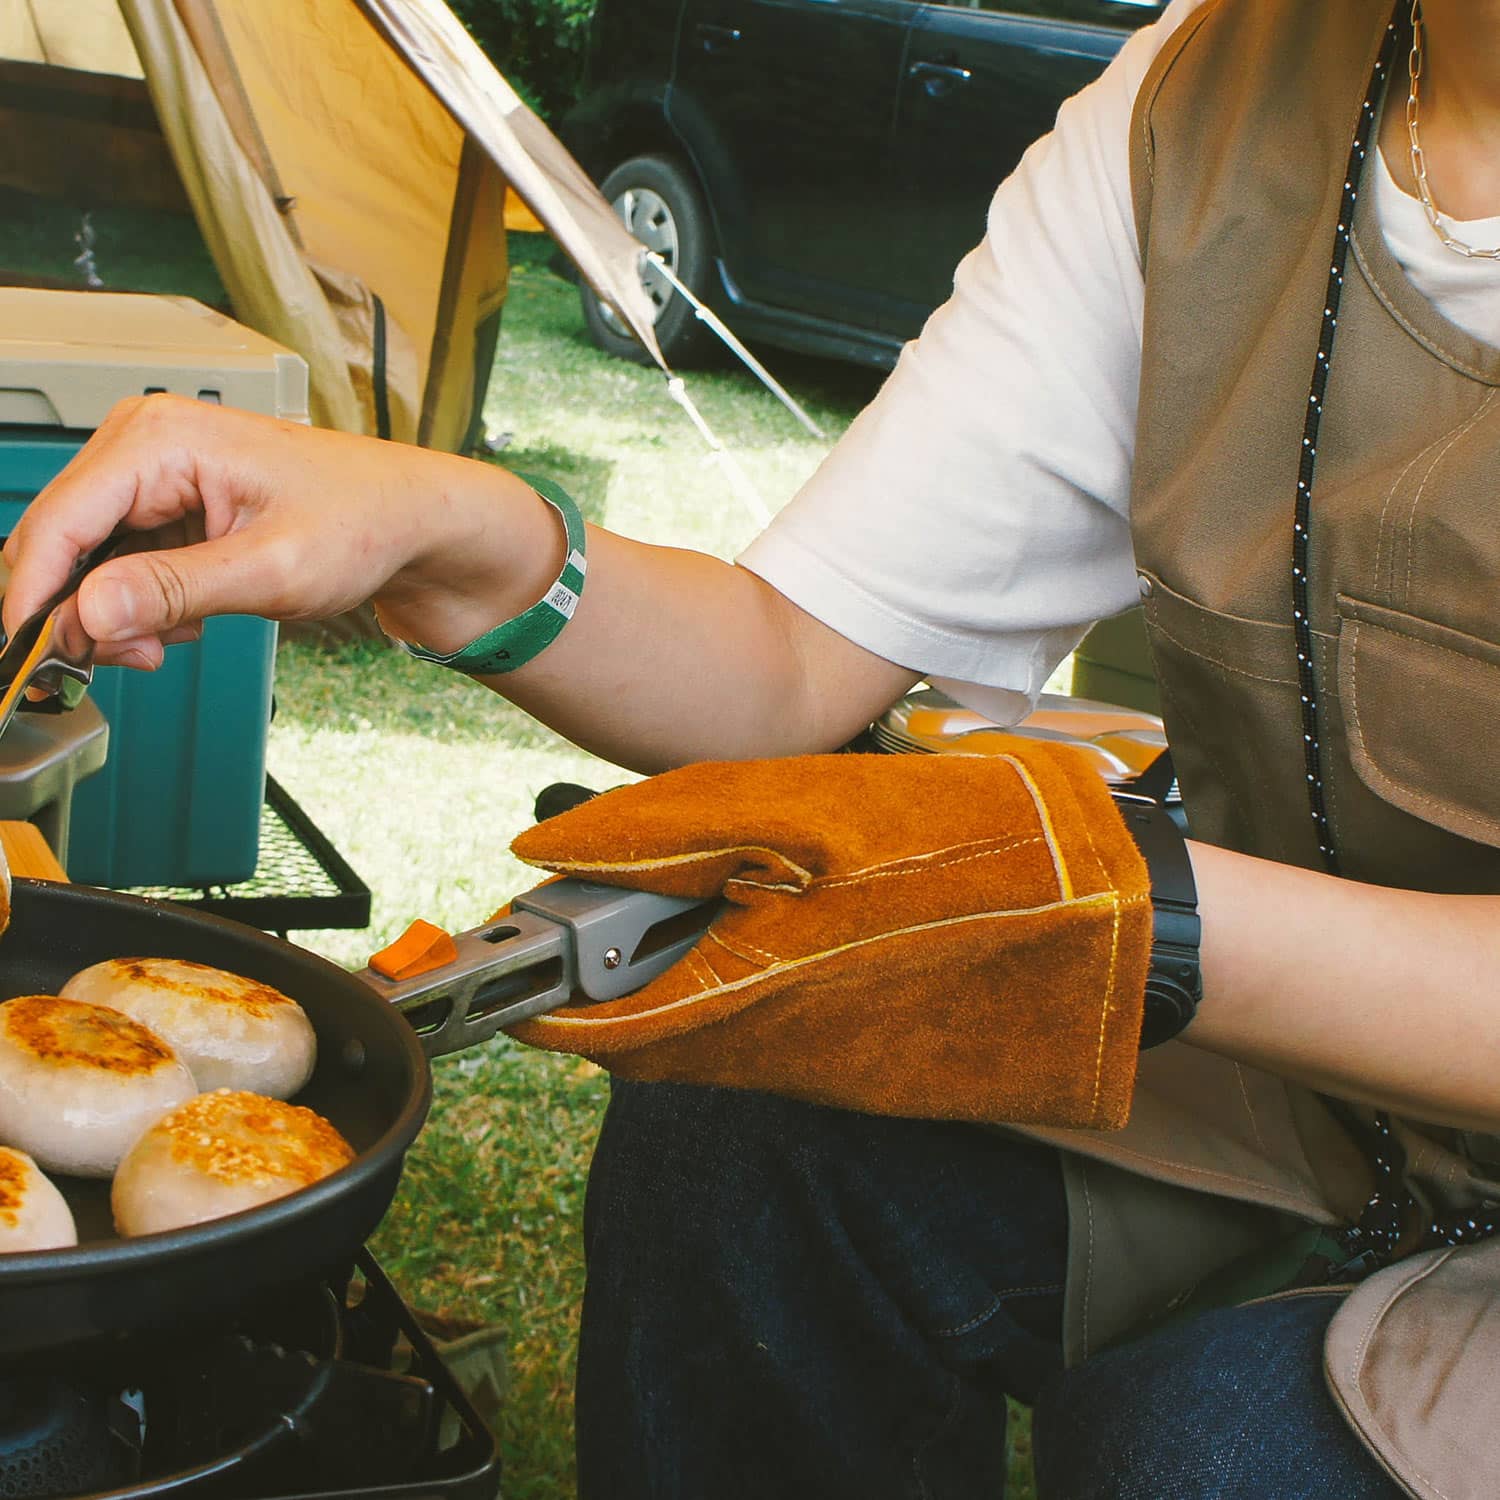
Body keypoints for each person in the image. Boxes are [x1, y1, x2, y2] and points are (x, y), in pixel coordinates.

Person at [7, 0, 1500, 1492]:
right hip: (1291, 1088)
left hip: (1333, 1050)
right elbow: (797, 656)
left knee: (1196, 1455)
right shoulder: (1208, 87)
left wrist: (1137, 914)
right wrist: (467, 536)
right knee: (735, 1131)